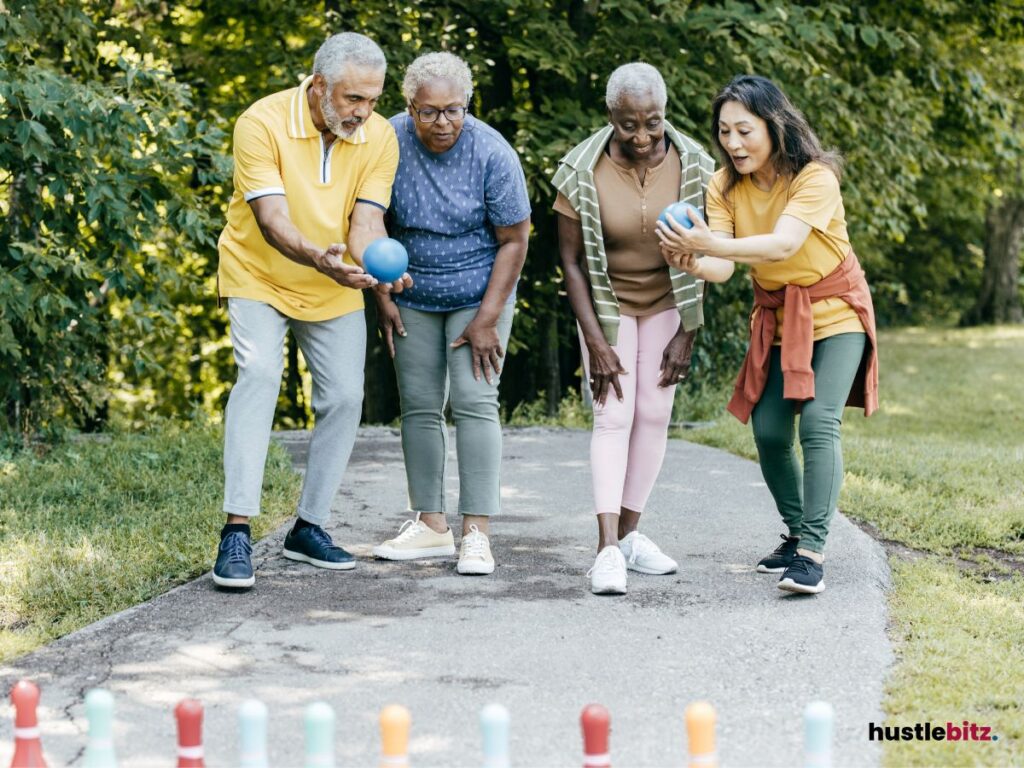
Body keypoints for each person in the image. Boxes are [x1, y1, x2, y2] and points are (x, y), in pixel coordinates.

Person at [657, 74, 879, 595]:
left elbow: (782, 245)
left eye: (744, 131)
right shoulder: (722, 185)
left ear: (774, 126)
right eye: (725, 132)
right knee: (770, 431)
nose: (733, 143)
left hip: (837, 313)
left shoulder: (815, 178)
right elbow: (724, 267)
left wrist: (711, 243)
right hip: (779, 319)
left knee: (819, 424)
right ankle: (798, 530)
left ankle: (811, 554)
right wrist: (689, 258)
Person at [212, 32, 410, 589]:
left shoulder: (377, 138)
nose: (366, 112)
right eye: (354, 99)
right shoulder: (262, 122)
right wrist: (320, 260)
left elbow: (367, 222)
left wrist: (382, 270)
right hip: (259, 272)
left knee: (347, 396)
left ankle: (309, 528)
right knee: (258, 374)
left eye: (373, 99)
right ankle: (237, 532)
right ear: (318, 86)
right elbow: (272, 221)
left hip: (333, 278)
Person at [552, 63, 715, 595]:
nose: (643, 137)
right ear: (610, 117)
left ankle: (629, 537)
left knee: (654, 411)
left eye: (653, 122)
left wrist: (688, 330)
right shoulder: (580, 170)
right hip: (609, 303)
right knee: (613, 414)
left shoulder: (696, 165)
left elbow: (706, 251)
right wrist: (596, 343)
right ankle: (604, 551)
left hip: (671, 298)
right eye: (629, 125)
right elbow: (571, 263)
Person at [371, 52, 531, 575]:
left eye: (454, 111)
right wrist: (382, 294)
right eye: (430, 112)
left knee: (474, 401)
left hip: (477, 293)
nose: (443, 124)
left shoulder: (492, 151)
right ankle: (432, 526)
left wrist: (486, 319)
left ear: (468, 104)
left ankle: (477, 533)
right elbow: (370, 222)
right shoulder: (386, 141)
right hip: (410, 291)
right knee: (418, 406)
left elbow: (515, 240)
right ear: (409, 107)